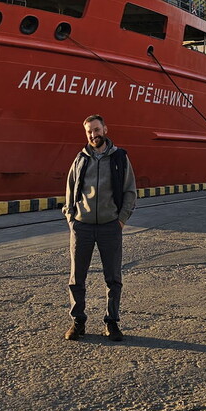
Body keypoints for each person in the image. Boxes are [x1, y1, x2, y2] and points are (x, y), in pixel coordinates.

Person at [62, 114, 137, 342]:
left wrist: (121, 220)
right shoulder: (80, 159)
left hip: (109, 226)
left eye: (96, 130)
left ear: (105, 129)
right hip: (82, 227)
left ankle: (112, 323)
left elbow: (130, 191)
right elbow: (70, 189)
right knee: (77, 278)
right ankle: (78, 322)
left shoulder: (120, 158)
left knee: (113, 278)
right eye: (89, 132)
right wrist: (71, 218)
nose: (93, 135)